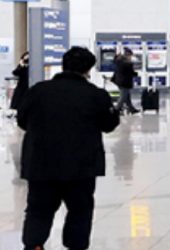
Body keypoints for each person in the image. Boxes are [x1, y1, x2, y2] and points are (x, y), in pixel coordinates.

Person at [18, 46, 120, 250]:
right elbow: (109, 125)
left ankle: (34, 245)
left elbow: (22, 120)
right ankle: (75, 246)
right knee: (80, 211)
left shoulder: (38, 91)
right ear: (88, 69)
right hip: (81, 166)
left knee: (39, 210)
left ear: (63, 65)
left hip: (41, 164)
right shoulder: (96, 95)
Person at [112, 48, 139, 115]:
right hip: (124, 82)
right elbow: (130, 72)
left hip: (119, 81)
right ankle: (116, 109)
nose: (131, 57)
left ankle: (131, 109)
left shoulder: (119, 61)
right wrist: (135, 73)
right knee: (123, 96)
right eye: (130, 56)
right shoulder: (127, 63)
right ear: (128, 55)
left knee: (127, 96)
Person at [9, 51, 29, 116]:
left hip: (28, 87)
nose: (26, 61)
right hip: (21, 87)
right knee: (17, 102)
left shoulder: (31, 67)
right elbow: (15, 72)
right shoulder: (22, 66)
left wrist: (25, 67)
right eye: (25, 59)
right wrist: (21, 65)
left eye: (27, 59)